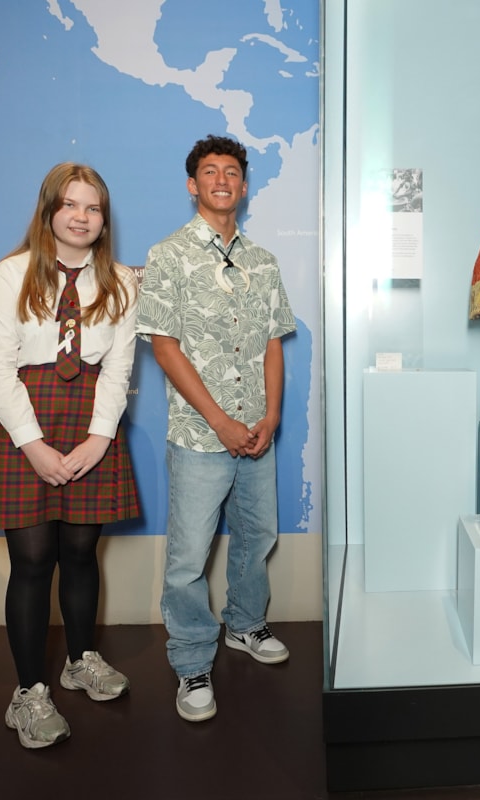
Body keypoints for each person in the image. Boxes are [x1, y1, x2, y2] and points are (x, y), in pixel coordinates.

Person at [0, 163, 140, 749]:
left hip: (90, 414)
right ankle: (28, 693)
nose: (81, 216)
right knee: (33, 558)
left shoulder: (121, 281)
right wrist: (32, 443)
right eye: (69, 205)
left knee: (80, 549)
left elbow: (119, 367)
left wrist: (99, 438)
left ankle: (80, 659)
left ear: (103, 219)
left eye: (92, 208)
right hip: (29, 415)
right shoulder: (9, 275)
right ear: (49, 212)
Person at [137, 134, 297, 722]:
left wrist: (271, 416)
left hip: (258, 432)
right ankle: (192, 661)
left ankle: (246, 626)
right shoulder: (168, 255)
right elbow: (164, 346)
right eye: (210, 171)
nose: (222, 179)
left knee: (258, 538)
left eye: (232, 171)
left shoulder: (263, 262)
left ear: (244, 185)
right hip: (202, 436)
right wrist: (220, 421)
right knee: (187, 559)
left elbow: (273, 344)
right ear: (193, 184)